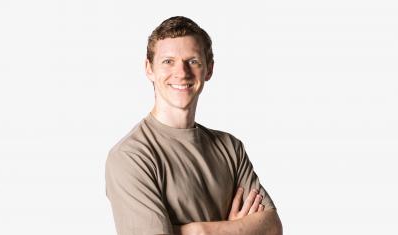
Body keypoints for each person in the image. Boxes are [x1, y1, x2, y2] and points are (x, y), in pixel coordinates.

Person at [105, 16, 282, 235]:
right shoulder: (131, 157)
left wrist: (197, 231)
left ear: (209, 70)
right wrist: (235, 229)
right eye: (168, 61)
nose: (181, 72)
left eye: (193, 61)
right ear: (149, 68)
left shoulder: (230, 148)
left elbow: (272, 227)